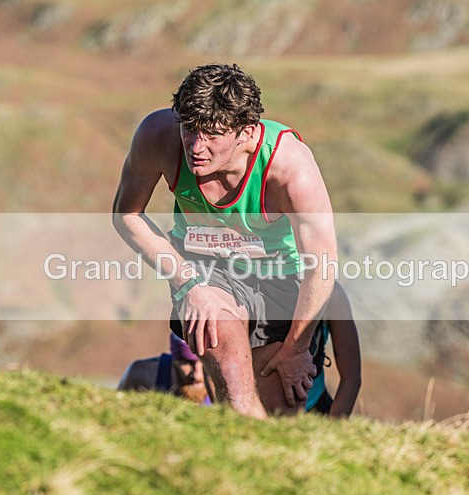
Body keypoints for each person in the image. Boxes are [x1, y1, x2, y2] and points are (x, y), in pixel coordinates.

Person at [113, 64, 337, 419]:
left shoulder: (291, 170)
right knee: (235, 385)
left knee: (279, 413)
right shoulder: (158, 135)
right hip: (204, 269)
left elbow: (322, 265)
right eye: (189, 129)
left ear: (247, 133)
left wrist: (296, 348)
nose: (196, 146)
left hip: (279, 277)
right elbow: (126, 214)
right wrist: (190, 284)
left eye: (212, 134)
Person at [306, 282, 362, 417]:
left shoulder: (332, 294)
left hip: (314, 408)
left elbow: (351, 378)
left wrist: (333, 427)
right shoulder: (252, 289)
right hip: (255, 409)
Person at [118, 332, 214, 405]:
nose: (197, 375)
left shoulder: (225, 381)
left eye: (203, 362)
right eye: (187, 363)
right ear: (174, 360)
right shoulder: (141, 374)